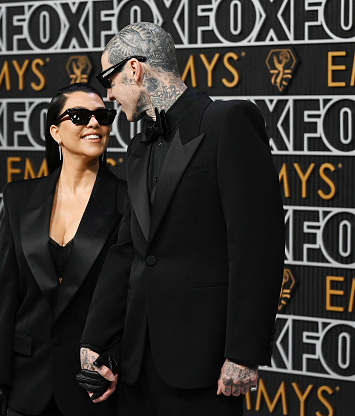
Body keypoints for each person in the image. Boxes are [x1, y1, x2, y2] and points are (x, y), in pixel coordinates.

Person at [77, 22, 285, 416]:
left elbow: (257, 247)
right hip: (137, 361)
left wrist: (243, 352)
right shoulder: (138, 144)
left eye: (109, 79)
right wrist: (95, 338)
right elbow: (128, 250)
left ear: (135, 69)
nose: (108, 95)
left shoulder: (228, 123)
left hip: (203, 364)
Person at [0, 83, 125, 416]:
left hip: (94, 385)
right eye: (79, 116)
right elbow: (7, 294)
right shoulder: (19, 198)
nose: (94, 124)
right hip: (25, 384)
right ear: (55, 132)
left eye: (102, 116)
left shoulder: (129, 200)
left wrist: (113, 360)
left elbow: (133, 297)